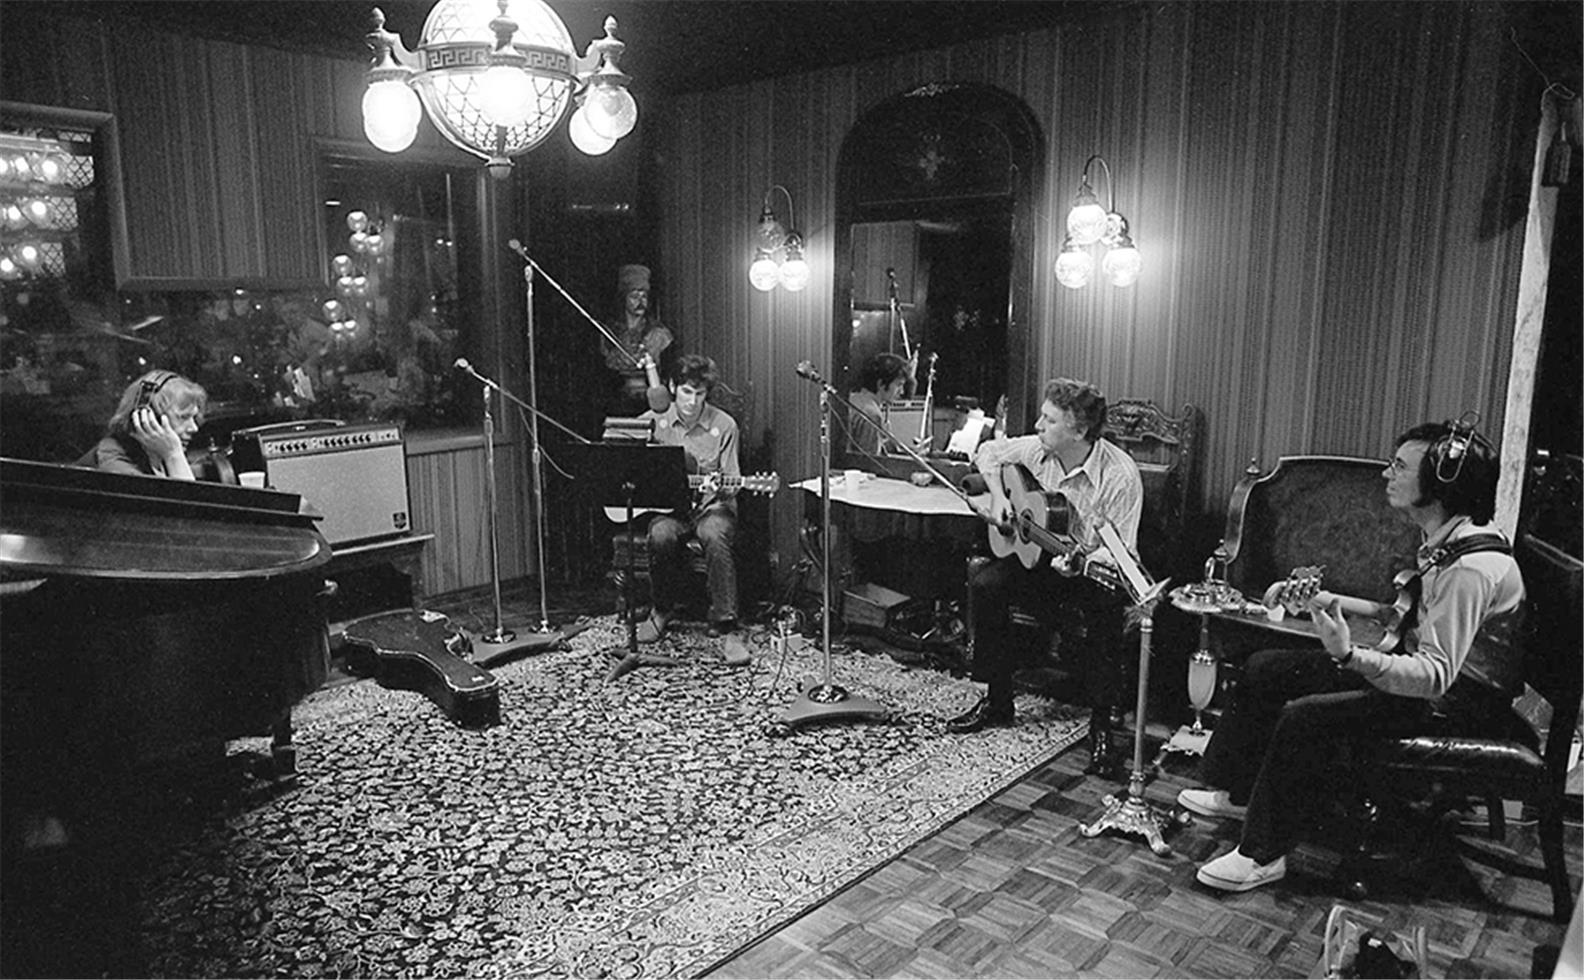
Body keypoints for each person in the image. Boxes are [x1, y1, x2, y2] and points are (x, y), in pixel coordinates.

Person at [1180, 420, 1523, 893]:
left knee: (1306, 718)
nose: (1388, 473)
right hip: (1428, 679)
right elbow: (1397, 615)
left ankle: (1263, 855)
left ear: (1443, 483)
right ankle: (1235, 791)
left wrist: (1348, 656)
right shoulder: (1447, 540)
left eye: (1400, 466)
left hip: (1460, 705)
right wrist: (1323, 600)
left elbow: (1435, 676)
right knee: (1266, 668)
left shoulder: (1472, 568)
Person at [947, 377, 1143, 779]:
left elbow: (1122, 551)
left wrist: (1081, 561)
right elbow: (988, 452)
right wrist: (1001, 499)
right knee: (987, 585)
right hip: (1038, 562)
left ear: (1079, 430)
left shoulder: (1120, 475)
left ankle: (1102, 724)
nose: (1038, 425)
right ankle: (998, 701)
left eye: (1049, 420)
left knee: (1107, 609)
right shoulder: (1037, 449)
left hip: (1091, 569)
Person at [636, 353, 750, 666]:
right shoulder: (654, 420)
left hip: (712, 507)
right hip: (672, 509)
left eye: (699, 394)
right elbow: (633, 463)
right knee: (660, 534)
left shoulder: (725, 425)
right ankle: (662, 609)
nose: (692, 401)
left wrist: (721, 486)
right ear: (672, 387)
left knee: (714, 534)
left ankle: (728, 624)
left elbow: (734, 481)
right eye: (686, 392)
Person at [80, 369, 207, 479]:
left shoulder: (155, 453)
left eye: (194, 417)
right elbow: (186, 506)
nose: (194, 428)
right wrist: (173, 455)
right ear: (147, 416)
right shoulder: (114, 464)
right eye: (183, 417)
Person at [602, 264, 675, 417]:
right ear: (624, 299)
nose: (640, 302)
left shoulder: (659, 334)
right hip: (615, 402)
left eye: (644, 296)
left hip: (649, 403)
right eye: (634, 296)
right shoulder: (609, 333)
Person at [846, 351, 909, 456]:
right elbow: (870, 462)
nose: (901, 392)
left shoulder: (853, 399)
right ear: (881, 384)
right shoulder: (872, 414)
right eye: (899, 385)